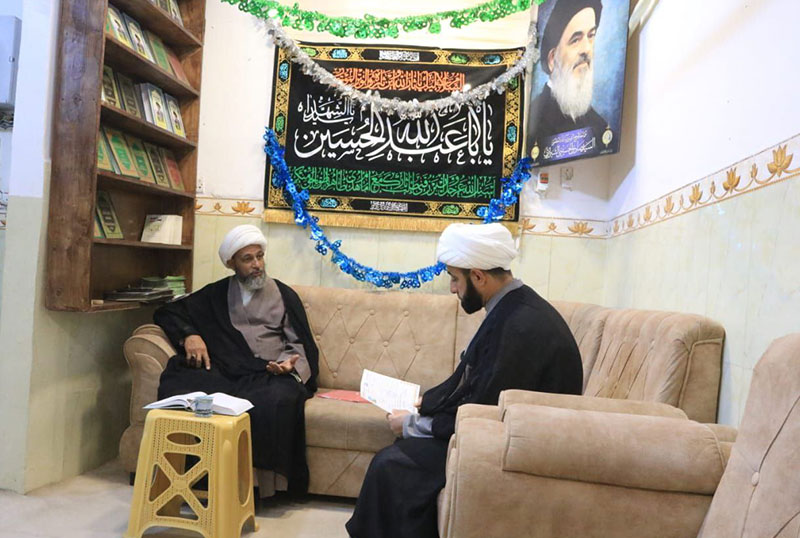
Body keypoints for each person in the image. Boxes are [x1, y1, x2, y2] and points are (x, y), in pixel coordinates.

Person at [345, 223, 583, 538]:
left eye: (455, 279)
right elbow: (476, 379)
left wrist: (414, 424)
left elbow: (486, 409)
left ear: (478, 276)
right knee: (401, 453)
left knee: (391, 464)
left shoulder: (520, 325)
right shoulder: (513, 307)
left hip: (521, 448)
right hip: (506, 434)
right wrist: (427, 404)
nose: (453, 289)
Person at [154, 224, 319, 496]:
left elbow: (299, 344)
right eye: (247, 259)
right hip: (227, 369)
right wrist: (190, 335)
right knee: (181, 386)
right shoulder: (216, 294)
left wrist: (288, 366)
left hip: (270, 373)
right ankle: (196, 477)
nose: (257, 265)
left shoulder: (283, 294)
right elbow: (169, 312)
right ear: (231, 263)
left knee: (276, 400)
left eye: (260, 256)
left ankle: (260, 489)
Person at [528, 0, 608, 145]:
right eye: (575, 40)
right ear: (552, 59)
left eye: (591, 36)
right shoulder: (532, 123)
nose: (587, 49)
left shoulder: (600, 126)